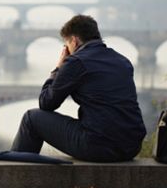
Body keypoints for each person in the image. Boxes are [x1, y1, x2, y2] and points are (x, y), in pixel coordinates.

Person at [11, 14, 146, 162]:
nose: (67, 49)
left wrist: (58, 68)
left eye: (66, 44)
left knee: (31, 118)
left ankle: (15, 173)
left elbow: (46, 103)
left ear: (74, 41)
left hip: (98, 145)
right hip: (131, 146)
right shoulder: (123, 61)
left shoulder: (76, 62)